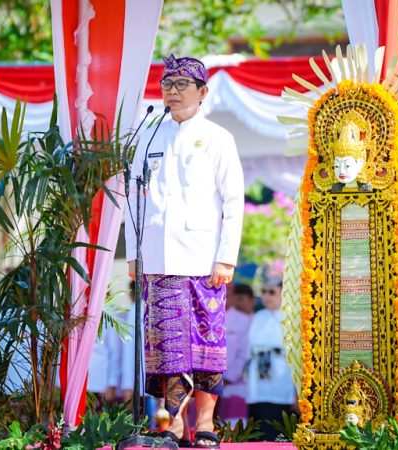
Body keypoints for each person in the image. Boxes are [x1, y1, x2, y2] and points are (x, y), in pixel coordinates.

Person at [125, 54, 244, 448]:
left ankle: (205, 423)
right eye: (167, 84)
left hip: (204, 260)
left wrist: (226, 257)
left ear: (202, 91)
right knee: (166, 349)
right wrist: (134, 255)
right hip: (159, 260)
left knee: (206, 346)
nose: (172, 92)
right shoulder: (148, 137)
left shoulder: (218, 138)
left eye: (181, 85)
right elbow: (132, 201)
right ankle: (173, 425)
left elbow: (233, 201)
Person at [246, 280, 296, 441]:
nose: (266, 296)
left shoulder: (291, 317)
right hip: (258, 373)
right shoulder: (258, 316)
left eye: (272, 292)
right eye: (264, 292)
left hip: (281, 372)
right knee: (258, 417)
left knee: (279, 418)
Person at [218, 283, 254, 423]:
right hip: (214, 381)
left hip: (236, 384)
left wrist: (228, 378)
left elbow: (245, 353)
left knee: (234, 426)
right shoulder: (220, 318)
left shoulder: (251, 320)